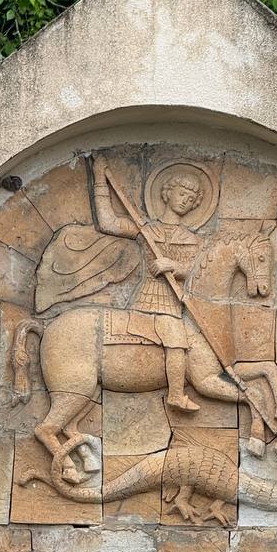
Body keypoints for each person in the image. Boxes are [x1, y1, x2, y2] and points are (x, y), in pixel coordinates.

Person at [92, 155, 207, 413]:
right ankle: (175, 395)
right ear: (167, 193)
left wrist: (173, 266)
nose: (185, 200)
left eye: (191, 199)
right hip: (147, 298)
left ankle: (176, 390)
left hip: (173, 300)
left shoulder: (193, 240)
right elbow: (108, 223)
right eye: (182, 193)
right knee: (176, 338)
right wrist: (100, 180)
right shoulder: (146, 230)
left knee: (179, 335)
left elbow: (197, 272)